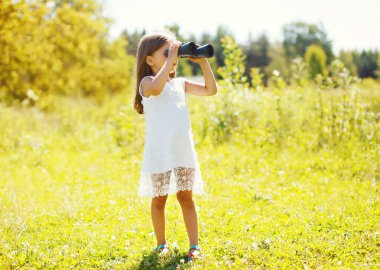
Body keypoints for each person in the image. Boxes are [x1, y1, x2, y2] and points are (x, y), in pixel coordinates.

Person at [133, 30, 217, 262]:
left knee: (186, 198)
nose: (175, 58)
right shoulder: (147, 83)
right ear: (149, 60)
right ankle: (162, 245)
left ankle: (194, 245)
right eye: (167, 53)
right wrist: (171, 59)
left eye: (176, 54)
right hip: (159, 153)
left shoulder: (179, 84)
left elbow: (210, 90)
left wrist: (203, 63)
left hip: (182, 152)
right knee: (159, 199)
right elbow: (157, 88)